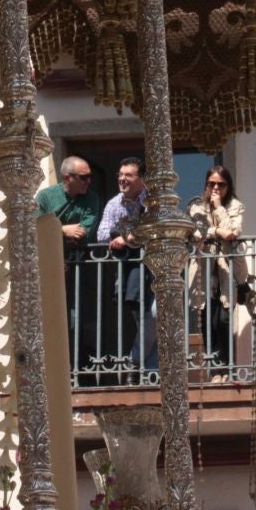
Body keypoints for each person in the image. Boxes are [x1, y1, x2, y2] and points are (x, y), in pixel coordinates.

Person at [37, 155, 104, 379]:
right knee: (50, 320)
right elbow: (36, 228)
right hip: (48, 267)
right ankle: (53, 371)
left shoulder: (91, 198)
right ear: (67, 177)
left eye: (90, 178)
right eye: (84, 178)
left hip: (78, 268)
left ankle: (74, 372)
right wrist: (62, 230)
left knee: (77, 320)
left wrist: (57, 229)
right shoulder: (46, 196)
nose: (88, 182)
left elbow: (85, 231)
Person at [97, 156, 153, 376]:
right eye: (120, 175)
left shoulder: (153, 200)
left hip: (158, 268)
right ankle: (150, 370)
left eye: (128, 175)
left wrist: (130, 237)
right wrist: (121, 236)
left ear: (141, 179)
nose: (122, 179)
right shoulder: (114, 203)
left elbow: (154, 230)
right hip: (132, 272)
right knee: (142, 318)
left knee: (156, 315)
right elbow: (101, 234)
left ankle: (135, 362)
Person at [188, 164, 246, 376]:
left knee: (223, 319)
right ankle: (214, 372)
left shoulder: (236, 206)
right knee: (207, 322)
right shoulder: (197, 207)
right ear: (206, 184)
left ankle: (227, 368)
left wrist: (219, 207)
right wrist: (217, 230)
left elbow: (233, 231)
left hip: (226, 269)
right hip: (204, 270)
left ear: (228, 186)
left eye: (220, 185)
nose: (215, 188)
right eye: (212, 184)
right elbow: (195, 232)